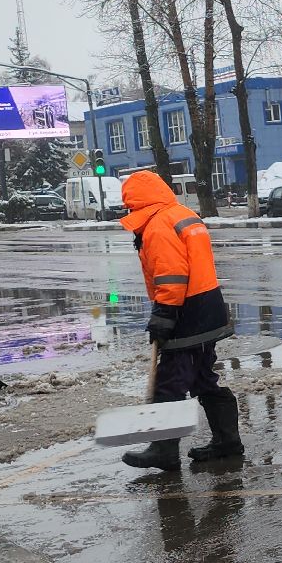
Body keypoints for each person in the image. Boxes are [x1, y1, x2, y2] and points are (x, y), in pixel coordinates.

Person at [118, 170, 242, 471]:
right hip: (207, 305)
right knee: (202, 379)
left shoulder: (159, 225)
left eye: (129, 206)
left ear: (136, 202)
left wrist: (163, 314)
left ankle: (163, 451)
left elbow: (172, 276)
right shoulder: (180, 213)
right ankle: (227, 442)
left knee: (169, 383)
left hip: (188, 311)